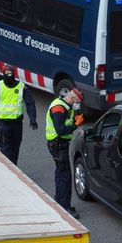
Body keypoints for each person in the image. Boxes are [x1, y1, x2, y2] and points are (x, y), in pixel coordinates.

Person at [0, 67, 38, 164]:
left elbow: (30, 103)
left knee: (15, 152)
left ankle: (13, 170)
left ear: (14, 74)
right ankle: (7, 171)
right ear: (3, 75)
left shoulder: (21, 87)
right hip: (3, 125)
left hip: (17, 125)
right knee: (6, 155)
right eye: (7, 74)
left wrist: (32, 119)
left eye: (11, 74)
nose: (9, 76)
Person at [44, 87, 84, 216]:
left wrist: (76, 119)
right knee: (65, 176)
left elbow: (69, 120)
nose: (76, 105)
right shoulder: (58, 108)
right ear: (72, 98)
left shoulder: (64, 104)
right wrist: (75, 126)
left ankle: (59, 201)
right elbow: (60, 130)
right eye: (76, 102)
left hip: (59, 144)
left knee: (60, 173)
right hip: (58, 145)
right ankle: (64, 207)